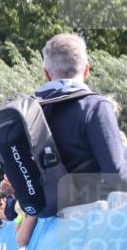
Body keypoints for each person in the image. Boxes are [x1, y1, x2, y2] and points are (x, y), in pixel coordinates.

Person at [35, 33, 127, 209]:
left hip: (52, 222)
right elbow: (118, 176)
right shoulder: (95, 106)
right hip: (92, 221)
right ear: (86, 69)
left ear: (46, 73)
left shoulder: (36, 112)